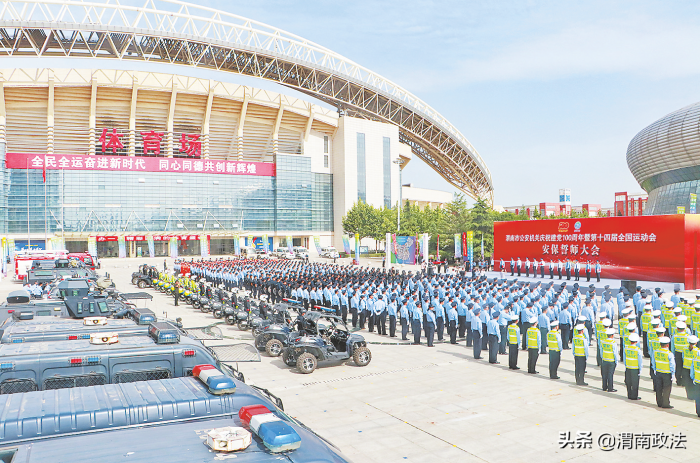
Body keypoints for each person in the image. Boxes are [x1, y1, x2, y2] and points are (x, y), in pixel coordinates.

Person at [651, 336, 675, 409]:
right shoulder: (669, 354)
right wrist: (673, 373)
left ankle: (659, 402)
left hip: (658, 372)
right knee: (666, 389)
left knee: (659, 388)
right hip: (667, 373)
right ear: (667, 345)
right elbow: (672, 365)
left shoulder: (656, 352)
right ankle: (665, 403)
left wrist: (655, 369)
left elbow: (653, 361)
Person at [624, 333, 643, 400]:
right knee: (635, 383)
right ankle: (634, 396)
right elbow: (640, 361)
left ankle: (629, 394)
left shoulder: (626, 348)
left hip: (628, 367)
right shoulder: (638, 350)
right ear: (637, 341)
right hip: (635, 368)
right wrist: (640, 369)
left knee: (628, 382)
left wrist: (626, 365)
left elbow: (624, 358)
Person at [600, 328, 618, 392]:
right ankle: (610, 388)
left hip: (604, 360)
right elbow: (615, 353)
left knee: (604, 374)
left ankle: (604, 387)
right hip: (611, 361)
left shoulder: (603, 341)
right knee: (610, 375)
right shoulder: (613, 343)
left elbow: (601, 351)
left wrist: (602, 358)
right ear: (612, 335)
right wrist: (616, 361)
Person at [672, 321, 689, 386]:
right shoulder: (687, 336)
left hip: (677, 353)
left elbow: (673, 347)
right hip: (685, 354)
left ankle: (678, 380)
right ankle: (684, 381)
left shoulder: (674, 336)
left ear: (677, 329)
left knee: (678, 367)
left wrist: (673, 354)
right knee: (684, 367)